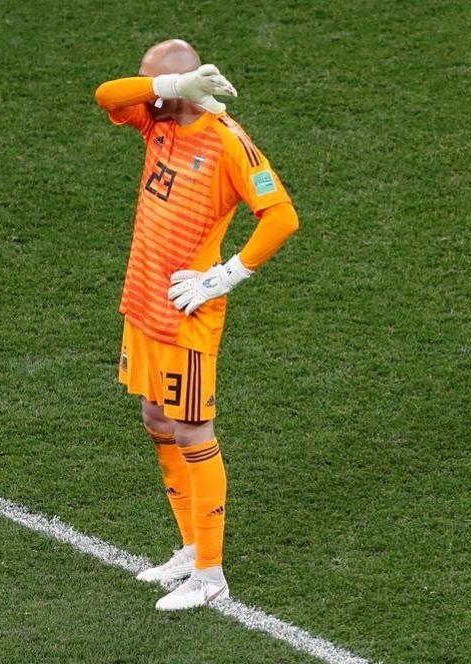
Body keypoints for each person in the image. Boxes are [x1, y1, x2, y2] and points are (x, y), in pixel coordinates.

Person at [94, 39, 300, 610]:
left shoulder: (228, 140)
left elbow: (281, 217)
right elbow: (106, 94)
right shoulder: (153, 118)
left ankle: (211, 575)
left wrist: (223, 276)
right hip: (143, 301)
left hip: (187, 311)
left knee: (192, 430)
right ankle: (190, 547)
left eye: (155, 80)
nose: (143, 88)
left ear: (188, 83)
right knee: (156, 416)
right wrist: (167, 87)